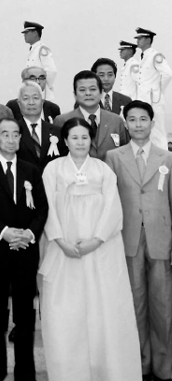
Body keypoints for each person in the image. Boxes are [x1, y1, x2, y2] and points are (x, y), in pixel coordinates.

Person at [40, 117, 142, 381]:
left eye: (85, 137)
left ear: (92, 140)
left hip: (101, 250)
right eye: (74, 137)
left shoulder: (103, 170)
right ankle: (68, 372)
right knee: (67, 312)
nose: (80, 142)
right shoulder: (52, 169)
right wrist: (61, 241)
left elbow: (113, 209)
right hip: (63, 250)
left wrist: (95, 240)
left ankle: (109, 371)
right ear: (64, 141)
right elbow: (46, 208)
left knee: (104, 310)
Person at [0, 118, 48, 381]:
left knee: (25, 318)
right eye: (5, 134)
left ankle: (25, 373)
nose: (11, 139)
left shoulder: (31, 170)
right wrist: (5, 233)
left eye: (16, 134)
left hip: (25, 251)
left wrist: (28, 234)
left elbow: (42, 208)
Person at [106, 101, 172, 381]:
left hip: (161, 239)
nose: (137, 125)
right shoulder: (113, 156)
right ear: (125, 124)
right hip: (128, 238)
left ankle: (165, 366)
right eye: (131, 120)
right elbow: (109, 202)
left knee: (163, 305)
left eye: (143, 119)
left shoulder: (167, 158)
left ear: (152, 122)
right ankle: (139, 364)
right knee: (135, 302)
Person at [54, 70, 128, 160]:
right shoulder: (63, 120)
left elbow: (124, 153)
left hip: (110, 173)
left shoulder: (116, 120)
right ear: (75, 95)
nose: (88, 93)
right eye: (82, 90)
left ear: (101, 93)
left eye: (93, 89)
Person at [132, 27, 172, 149]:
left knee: (157, 133)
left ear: (148, 40)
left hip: (154, 101)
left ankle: (165, 161)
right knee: (147, 133)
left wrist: (156, 91)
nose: (137, 41)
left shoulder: (156, 56)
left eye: (140, 38)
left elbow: (168, 74)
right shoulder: (143, 57)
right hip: (143, 101)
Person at [16, 81, 66, 169]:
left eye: (35, 98)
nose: (31, 102)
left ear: (42, 102)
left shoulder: (58, 132)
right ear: (19, 103)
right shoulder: (13, 131)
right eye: (26, 98)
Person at [21, 22, 57, 100]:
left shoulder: (42, 50)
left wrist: (44, 85)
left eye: (27, 32)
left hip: (42, 94)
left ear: (34, 33)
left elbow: (51, 71)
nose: (24, 35)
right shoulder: (32, 50)